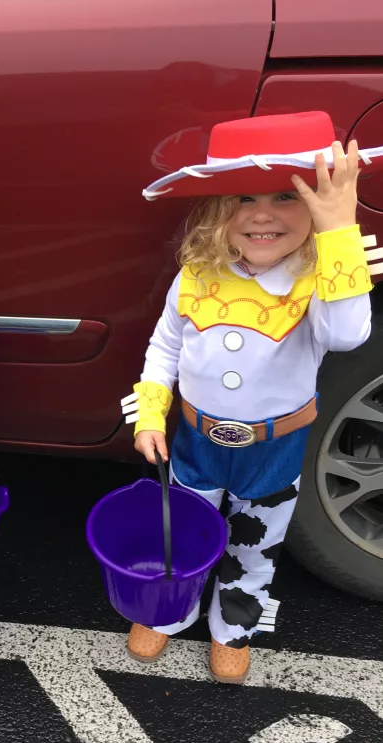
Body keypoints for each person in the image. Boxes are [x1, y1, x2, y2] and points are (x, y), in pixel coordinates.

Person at [123, 111, 381, 684]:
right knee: (182, 534)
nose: (262, 214)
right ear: (218, 211)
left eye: (287, 197)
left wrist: (339, 232)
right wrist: (149, 414)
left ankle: (233, 626)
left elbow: (347, 336)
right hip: (194, 441)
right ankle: (170, 610)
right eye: (243, 197)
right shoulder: (196, 272)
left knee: (255, 544)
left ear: (315, 207)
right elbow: (164, 348)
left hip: (275, 450)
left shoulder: (320, 277)